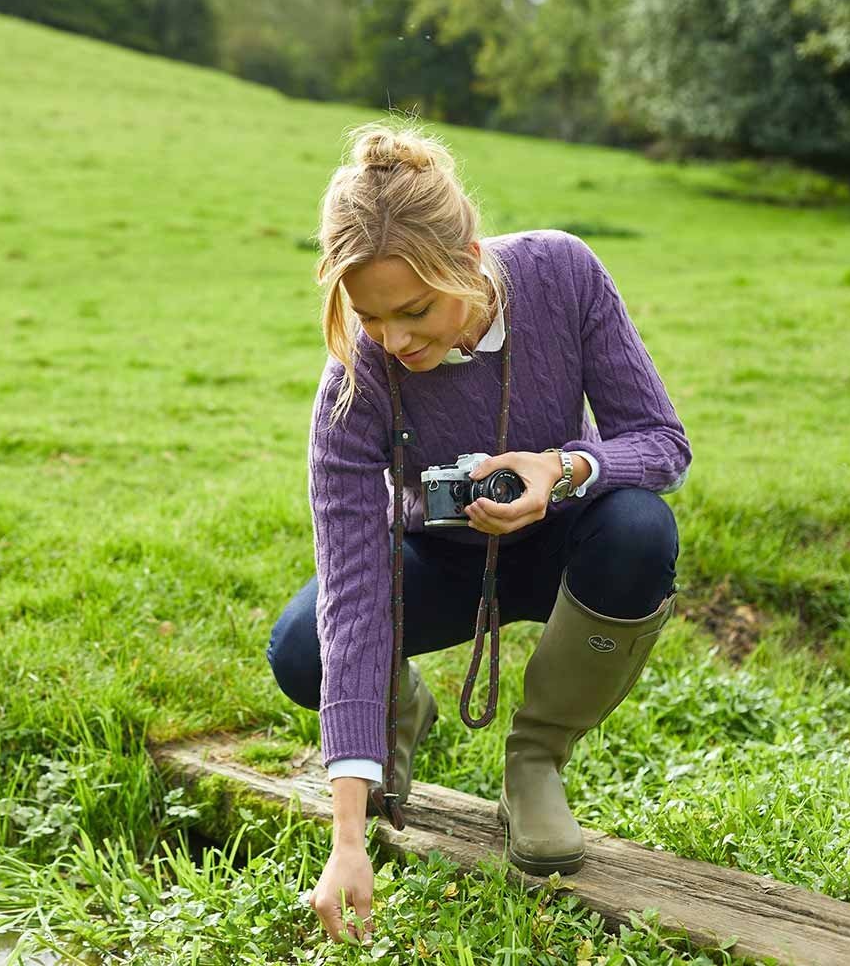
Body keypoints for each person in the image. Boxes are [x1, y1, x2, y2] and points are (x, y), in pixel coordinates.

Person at [266, 119, 692, 945]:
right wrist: (347, 838)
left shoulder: (561, 273)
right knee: (302, 649)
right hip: (442, 561)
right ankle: (398, 716)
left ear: (466, 256)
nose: (394, 340)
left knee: (641, 530)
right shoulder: (354, 384)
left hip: (566, 540)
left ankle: (534, 763)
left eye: (416, 310)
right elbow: (355, 598)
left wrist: (561, 470)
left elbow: (663, 443)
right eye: (370, 315)